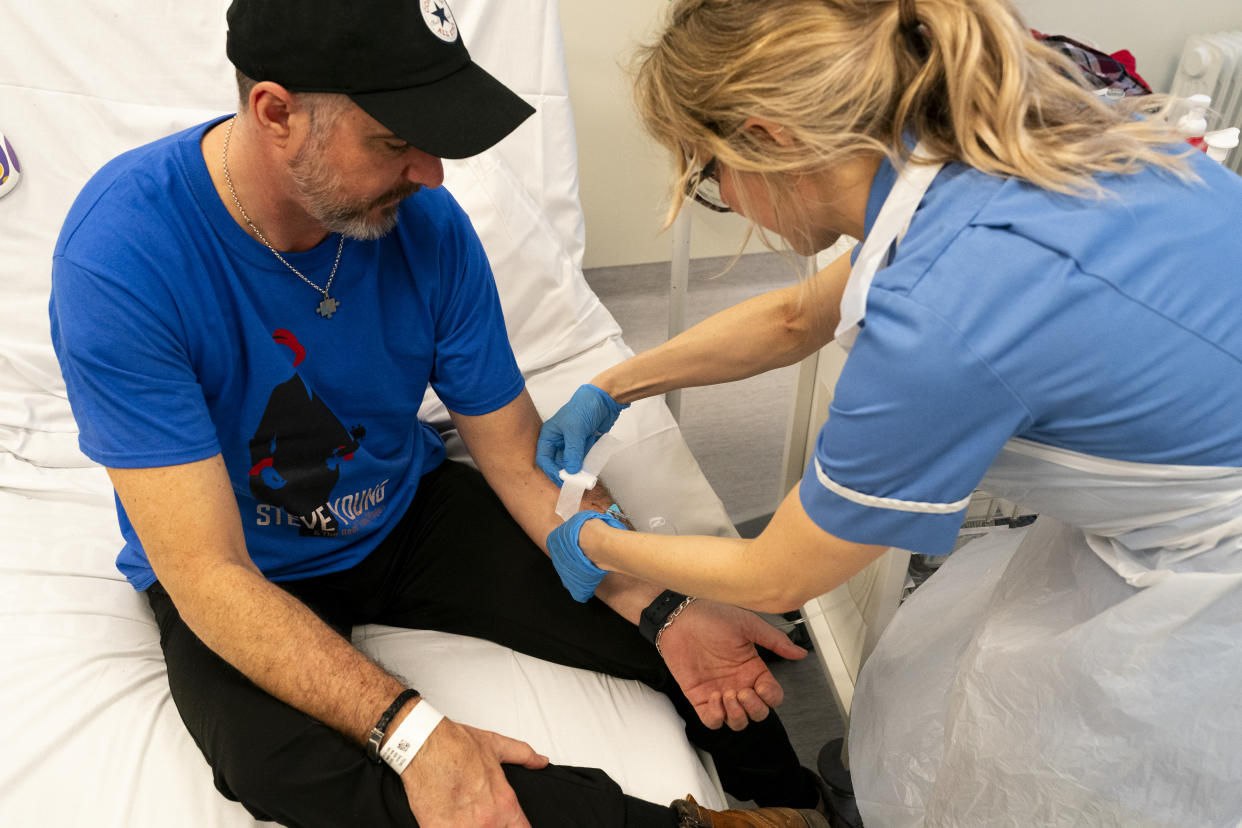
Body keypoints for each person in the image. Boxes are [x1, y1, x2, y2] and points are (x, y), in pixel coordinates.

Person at [47, 1, 837, 827]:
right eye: (395, 142)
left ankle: (792, 799)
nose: (430, 171)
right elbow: (209, 574)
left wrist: (662, 604)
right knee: (276, 767)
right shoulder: (124, 256)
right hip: (249, 565)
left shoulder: (429, 229)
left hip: (406, 513)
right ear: (276, 113)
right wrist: (411, 730)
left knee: (676, 636)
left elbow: (516, 455)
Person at [539, 0, 1242, 825]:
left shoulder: (950, 307)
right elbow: (797, 319)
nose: (719, 197)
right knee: (970, 681)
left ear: (770, 138)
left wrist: (595, 540)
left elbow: (780, 572)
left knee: (1086, 774)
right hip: (1190, 454)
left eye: (709, 178)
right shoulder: (987, 134)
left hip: (1215, 560)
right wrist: (617, 384)